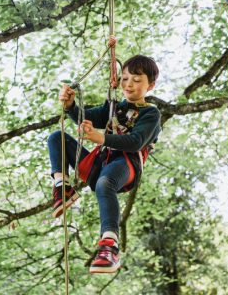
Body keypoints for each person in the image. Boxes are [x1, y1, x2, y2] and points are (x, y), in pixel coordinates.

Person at [47, 54, 161, 273]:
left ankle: (110, 245)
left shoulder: (150, 114)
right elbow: (83, 116)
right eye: (125, 78)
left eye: (137, 80)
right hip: (100, 162)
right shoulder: (114, 108)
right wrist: (71, 105)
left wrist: (100, 138)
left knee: (104, 184)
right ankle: (63, 187)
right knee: (56, 137)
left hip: (125, 165)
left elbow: (135, 141)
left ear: (151, 85)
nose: (129, 84)